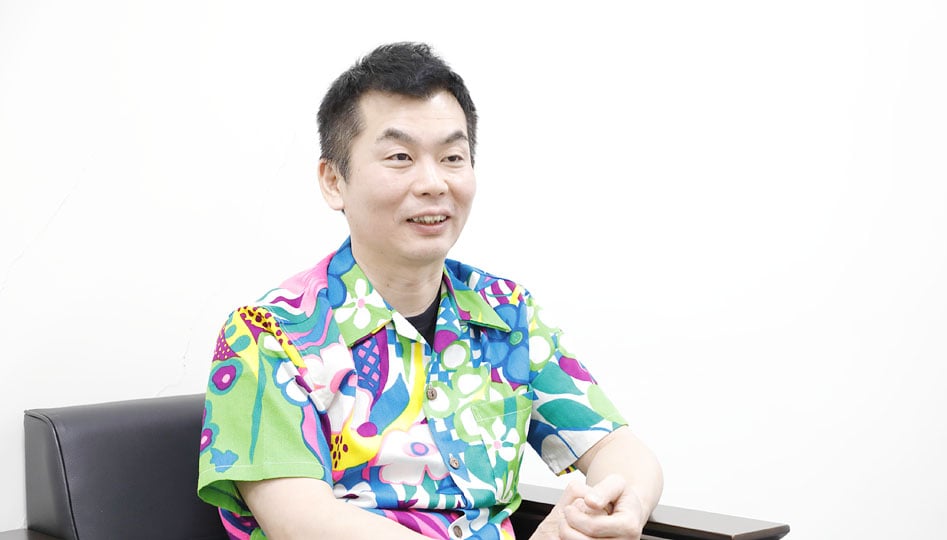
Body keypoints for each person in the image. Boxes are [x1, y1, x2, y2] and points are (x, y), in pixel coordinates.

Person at [197, 42, 663, 540]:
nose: (434, 183)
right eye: (400, 157)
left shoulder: (507, 313)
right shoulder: (268, 334)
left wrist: (618, 504)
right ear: (334, 181)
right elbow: (303, 523)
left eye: (452, 157)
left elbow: (616, 447)